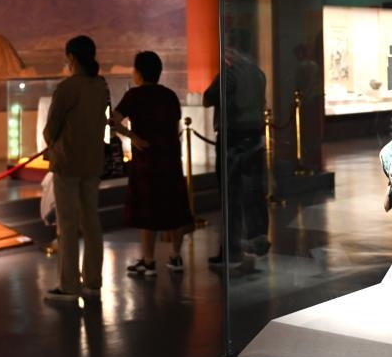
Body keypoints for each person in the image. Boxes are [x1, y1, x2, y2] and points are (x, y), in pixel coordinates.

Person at [111, 51, 193, 276]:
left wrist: (132, 136)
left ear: (138, 72)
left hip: (146, 160)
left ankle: (148, 261)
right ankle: (176, 257)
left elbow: (114, 119)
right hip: (170, 159)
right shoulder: (170, 95)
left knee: (146, 208)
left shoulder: (134, 96)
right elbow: (175, 130)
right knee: (174, 207)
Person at [42, 35, 110, 301]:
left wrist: (51, 142)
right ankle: (93, 279)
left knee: (67, 225)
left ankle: (69, 284)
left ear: (71, 58)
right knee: (92, 221)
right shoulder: (101, 85)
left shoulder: (67, 88)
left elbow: (52, 127)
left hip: (67, 163)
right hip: (93, 162)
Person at [203, 29, 269, 268]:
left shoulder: (229, 75)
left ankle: (230, 250)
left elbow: (207, 98)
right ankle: (257, 240)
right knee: (253, 192)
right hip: (254, 136)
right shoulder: (259, 74)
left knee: (230, 194)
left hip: (232, 138)